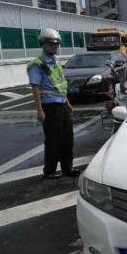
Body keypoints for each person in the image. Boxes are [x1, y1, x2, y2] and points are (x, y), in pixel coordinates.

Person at [27, 29, 80, 180]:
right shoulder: (37, 65)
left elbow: (60, 86)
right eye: (50, 44)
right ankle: (49, 171)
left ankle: (67, 168)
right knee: (53, 140)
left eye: (56, 44)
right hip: (50, 107)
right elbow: (35, 88)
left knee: (67, 139)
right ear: (42, 44)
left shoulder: (56, 62)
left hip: (62, 104)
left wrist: (68, 104)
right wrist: (39, 110)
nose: (54, 47)